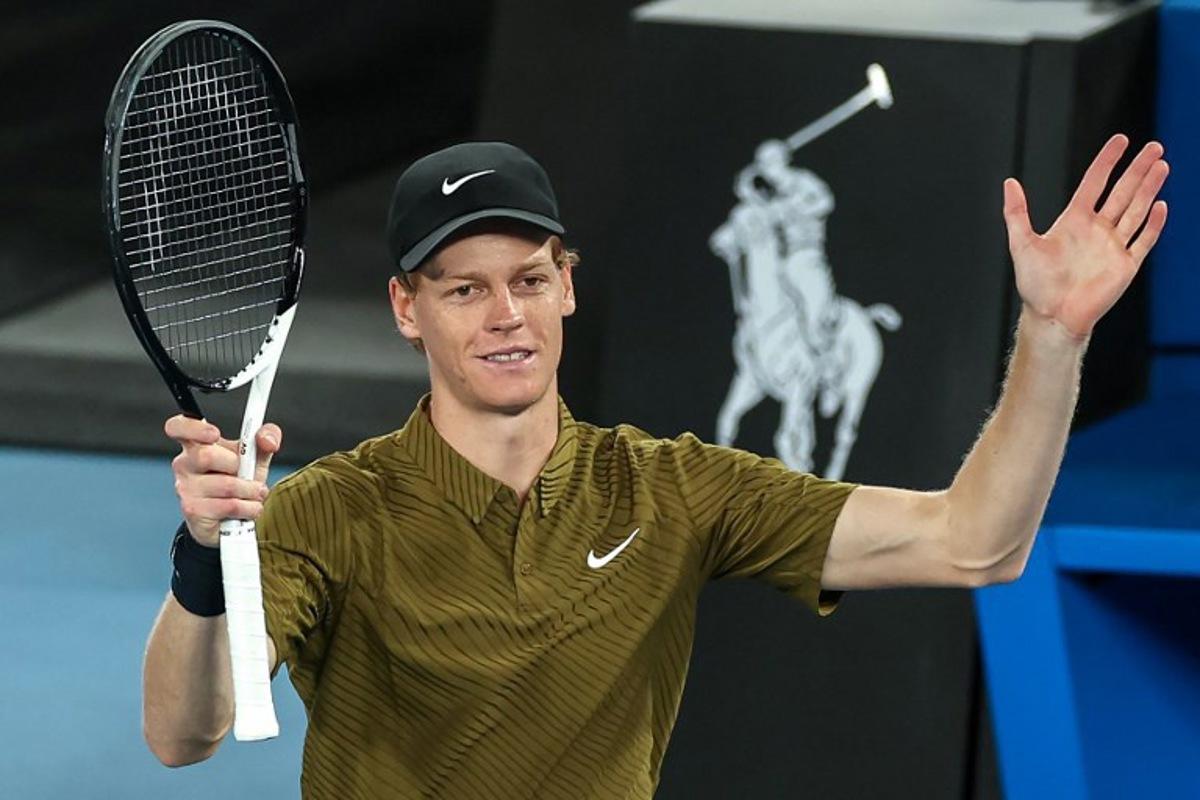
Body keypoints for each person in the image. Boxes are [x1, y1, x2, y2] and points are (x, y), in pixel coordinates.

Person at [142, 136, 1169, 798]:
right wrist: (201, 563)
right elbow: (186, 732)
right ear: (407, 309)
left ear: (567, 286)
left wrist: (1052, 335)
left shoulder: (673, 488)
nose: (506, 315)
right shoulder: (326, 510)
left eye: (529, 280)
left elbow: (975, 543)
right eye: (464, 290)